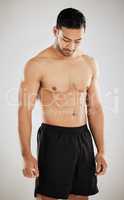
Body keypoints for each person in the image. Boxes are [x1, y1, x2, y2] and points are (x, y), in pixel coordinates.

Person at [18, 7, 108, 200]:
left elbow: (95, 108)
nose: (71, 46)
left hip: (83, 137)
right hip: (54, 139)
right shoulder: (37, 64)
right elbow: (25, 110)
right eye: (66, 39)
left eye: (78, 41)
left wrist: (101, 151)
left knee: (81, 197)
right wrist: (26, 155)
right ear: (55, 31)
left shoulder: (89, 63)